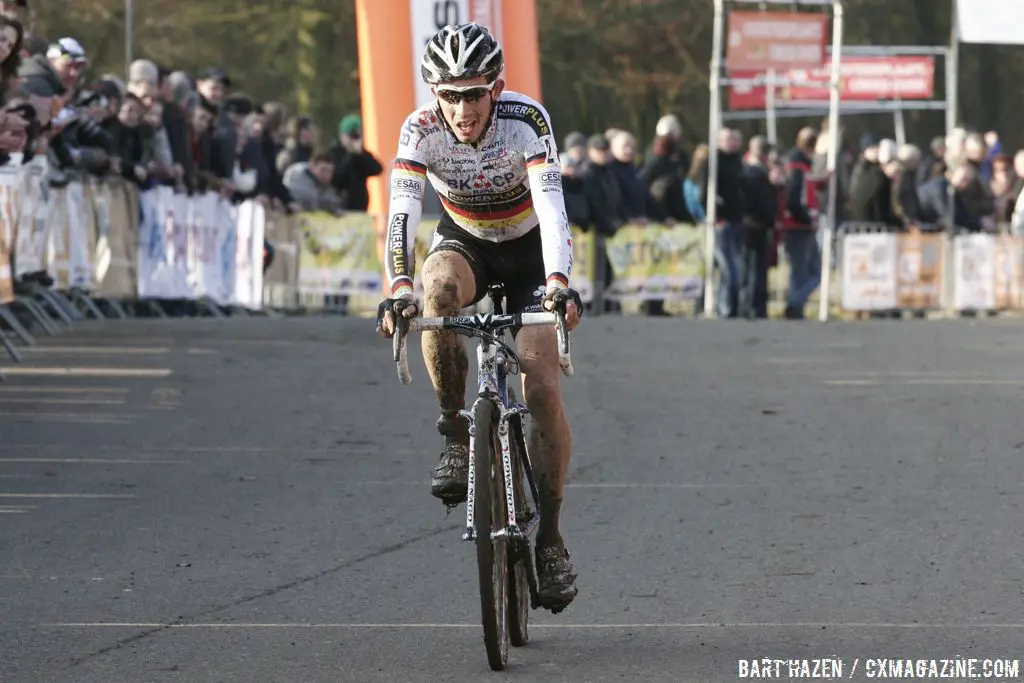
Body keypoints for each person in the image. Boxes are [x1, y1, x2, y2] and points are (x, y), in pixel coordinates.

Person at [375, 22, 582, 614]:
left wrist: (560, 286)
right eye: (448, 94)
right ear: (433, 94)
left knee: (541, 387)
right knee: (434, 292)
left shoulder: (526, 119)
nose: (461, 108)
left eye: (472, 93)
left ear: (495, 87)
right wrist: (399, 288)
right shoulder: (419, 129)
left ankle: (550, 536)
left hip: (529, 251)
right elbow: (401, 215)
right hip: (463, 241)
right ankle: (453, 434)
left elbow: (553, 207)